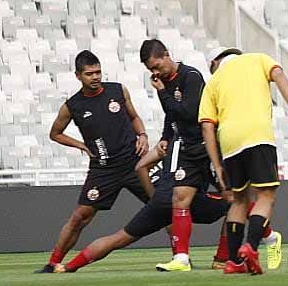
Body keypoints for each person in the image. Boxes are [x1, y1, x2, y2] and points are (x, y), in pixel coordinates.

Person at [38, 50, 151, 272]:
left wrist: (143, 135)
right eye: (90, 74)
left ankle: (180, 257)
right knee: (80, 217)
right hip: (103, 170)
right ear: (78, 75)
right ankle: (53, 263)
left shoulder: (117, 90)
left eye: (98, 72)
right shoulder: (73, 106)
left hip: (134, 163)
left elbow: (134, 117)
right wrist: (80, 145)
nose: (96, 77)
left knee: (164, 205)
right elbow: (55, 133)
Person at [52, 144, 237, 273]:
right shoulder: (205, 149)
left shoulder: (169, 144)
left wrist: (153, 198)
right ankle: (221, 259)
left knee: (119, 238)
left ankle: (69, 266)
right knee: (236, 205)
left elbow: (141, 166)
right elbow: (221, 180)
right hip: (183, 201)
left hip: (160, 201)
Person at [199, 47, 288, 275]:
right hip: (257, 134)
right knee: (266, 195)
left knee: (239, 200)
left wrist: (217, 165)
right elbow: (279, 75)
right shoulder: (258, 58)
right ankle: (251, 246)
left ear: (216, 62)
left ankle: (234, 261)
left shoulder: (213, 82)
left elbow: (207, 126)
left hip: (228, 142)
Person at [140, 39, 210, 273]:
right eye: (151, 70)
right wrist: (164, 137)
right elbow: (173, 117)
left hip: (207, 146)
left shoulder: (191, 76)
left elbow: (189, 114)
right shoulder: (167, 82)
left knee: (233, 196)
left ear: (167, 54)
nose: (155, 72)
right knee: (179, 197)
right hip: (185, 147)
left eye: (157, 66)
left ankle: (268, 235)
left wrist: (162, 94)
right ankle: (181, 258)